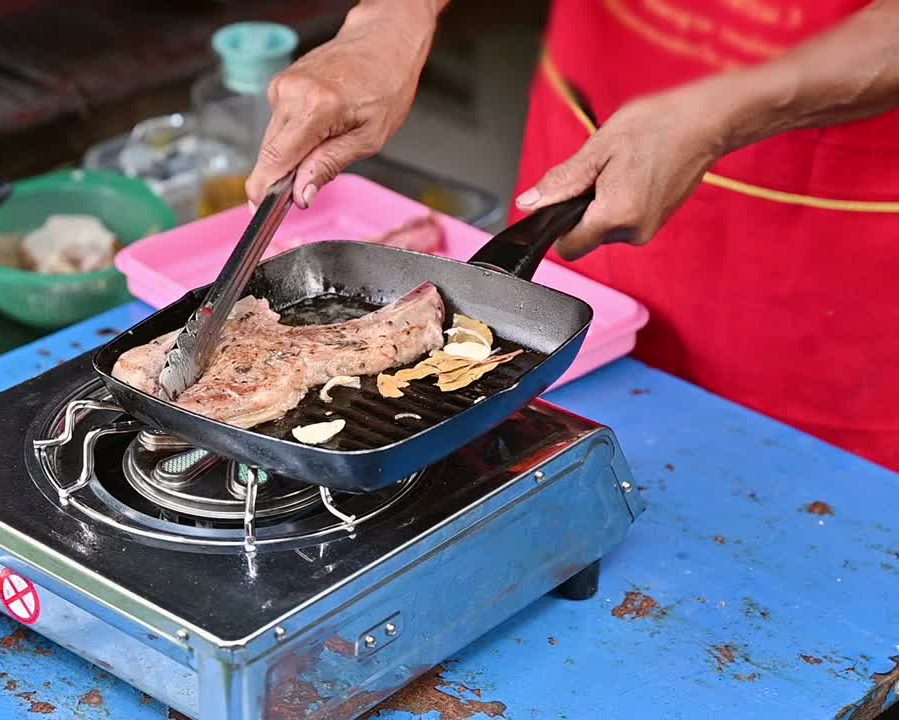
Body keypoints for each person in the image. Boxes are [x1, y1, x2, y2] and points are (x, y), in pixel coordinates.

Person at [245, 0, 899, 471]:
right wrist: (390, 19)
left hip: (836, 247)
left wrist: (716, 116)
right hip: (592, 142)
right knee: (525, 403)